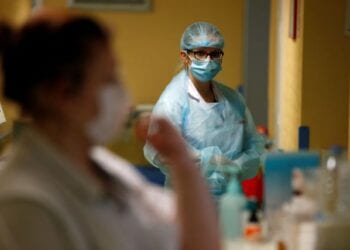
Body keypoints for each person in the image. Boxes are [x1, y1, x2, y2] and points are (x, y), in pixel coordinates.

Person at [0, 10, 220, 250]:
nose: (124, 97)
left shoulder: (107, 170)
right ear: (62, 93)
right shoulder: (25, 203)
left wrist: (181, 161)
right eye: (109, 80)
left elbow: (196, 242)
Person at [144, 22, 265, 198]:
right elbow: (159, 152)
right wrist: (211, 160)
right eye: (200, 53)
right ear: (185, 56)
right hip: (188, 201)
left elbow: (255, 147)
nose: (208, 60)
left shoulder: (233, 99)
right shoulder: (173, 101)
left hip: (230, 197)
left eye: (214, 53)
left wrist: (236, 167)